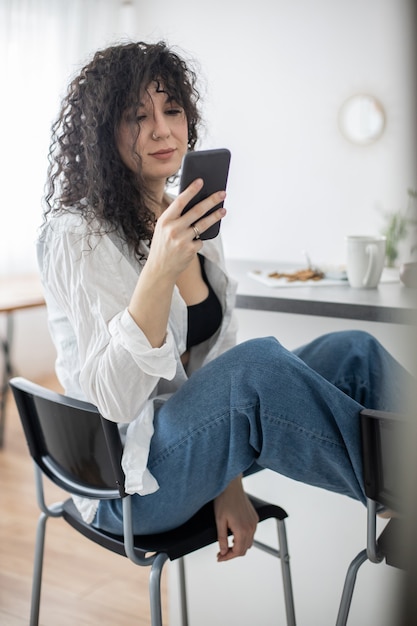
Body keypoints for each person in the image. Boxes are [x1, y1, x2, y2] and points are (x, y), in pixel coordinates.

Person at [37, 41, 410, 563]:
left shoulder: (192, 218)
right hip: (129, 484)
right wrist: (159, 270)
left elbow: (215, 360)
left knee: (354, 353)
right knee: (257, 368)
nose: (162, 129)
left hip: (197, 449)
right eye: (137, 117)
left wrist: (226, 483)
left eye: (172, 110)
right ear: (103, 134)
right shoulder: (77, 234)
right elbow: (115, 403)